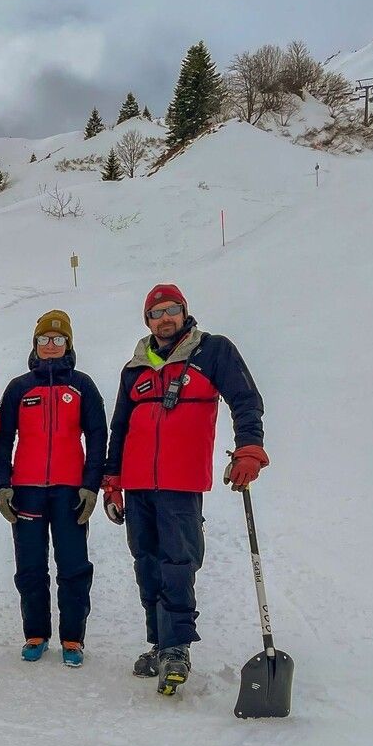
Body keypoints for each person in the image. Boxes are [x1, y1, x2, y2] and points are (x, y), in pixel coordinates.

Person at [102, 284, 267, 695]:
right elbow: (119, 428)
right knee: (146, 563)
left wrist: (249, 448)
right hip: (138, 484)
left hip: (181, 484)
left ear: (184, 311)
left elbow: (245, 400)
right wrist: (112, 480)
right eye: (156, 313)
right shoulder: (134, 368)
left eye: (171, 309)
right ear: (147, 321)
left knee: (178, 564)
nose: (165, 318)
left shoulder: (212, 351)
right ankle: (160, 643)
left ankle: (177, 648)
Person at [0, 310, 106, 668]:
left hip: (70, 491)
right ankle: (35, 633)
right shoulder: (19, 388)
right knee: (30, 566)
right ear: (35, 345)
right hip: (26, 490)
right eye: (45, 340)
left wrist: (91, 486)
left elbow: (99, 436)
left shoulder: (83, 386)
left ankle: (73, 637)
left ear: (68, 344)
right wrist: (2, 484)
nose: (51, 346)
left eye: (58, 340)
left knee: (72, 565)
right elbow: (3, 438)